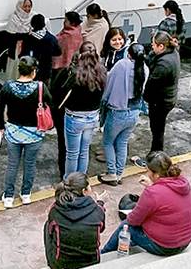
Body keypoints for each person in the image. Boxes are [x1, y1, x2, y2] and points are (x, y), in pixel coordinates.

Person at [101, 152, 191, 257]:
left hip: (166, 246)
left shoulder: (152, 193)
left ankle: (104, 254)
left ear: (156, 174)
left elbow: (134, 220)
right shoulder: (182, 182)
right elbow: (166, 198)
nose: (147, 174)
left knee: (126, 226)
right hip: (186, 240)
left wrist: (151, 188)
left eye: (148, 171)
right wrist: (152, 185)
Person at [0, 56, 52, 208]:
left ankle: (8, 197)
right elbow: (50, 104)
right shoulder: (40, 87)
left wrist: (0, 126)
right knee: (30, 164)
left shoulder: (8, 86)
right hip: (34, 134)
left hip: (13, 132)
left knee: (12, 165)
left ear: (19, 70)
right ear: (34, 71)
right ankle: (26, 194)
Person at [52, 41, 107, 177]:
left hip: (74, 118)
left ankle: (70, 182)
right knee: (84, 150)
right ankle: (81, 179)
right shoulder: (102, 72)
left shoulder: (73, 74)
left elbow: (59, 92)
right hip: (92, 117)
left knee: (72, 153)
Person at [98, 44, 148, 186]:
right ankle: (119, 174)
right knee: (122, 142)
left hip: (117, 112)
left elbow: (109, 81)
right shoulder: (145, 68)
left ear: (129, 54)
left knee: (108, 142)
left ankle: (112, 173)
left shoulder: (122, 65)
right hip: (134, 112)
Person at [44, 172, 106, 269]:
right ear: (83, 191)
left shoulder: (56, 209)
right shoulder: (97, 210)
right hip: (91, 262)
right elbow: (101, 229)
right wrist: (100, 203)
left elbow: (51, 232)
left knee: (48, 225)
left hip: (61, 264)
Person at [137, 31, 180, 160]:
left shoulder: (164, 64)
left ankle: (155, 156)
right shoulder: (172, 53)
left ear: (161, 46)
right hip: (167, 98)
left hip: (161, 101)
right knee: (157, 128)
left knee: (157, 129)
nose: (152, 47)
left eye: (153, 45)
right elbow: (152, 59)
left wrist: (144, 98)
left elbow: (152, 84)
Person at [21, 14, 61, 83]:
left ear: (32, 24)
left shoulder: (28, 38)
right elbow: (58, 52)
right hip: (46, 69)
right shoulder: (51, 38)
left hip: (31, 69)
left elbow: (23, 53)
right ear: (44, 24)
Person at [5, 0, 34, 77]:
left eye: (29, 6)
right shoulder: (13, 18)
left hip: (27, 50)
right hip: (15, 50)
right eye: (25, 6)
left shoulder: (33, 17)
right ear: (20, 6)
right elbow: (10, 35)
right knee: (13, 71)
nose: (27, 9)